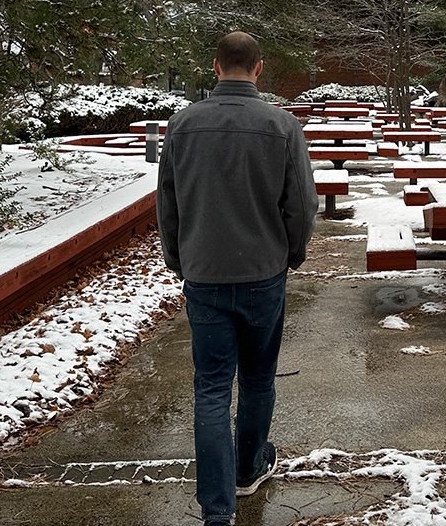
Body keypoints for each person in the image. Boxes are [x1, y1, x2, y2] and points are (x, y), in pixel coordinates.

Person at [157, 32, 317, 526]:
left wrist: (178, 259)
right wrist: (291, 253)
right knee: (256, 378)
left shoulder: (182, 125)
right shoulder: (282, 125)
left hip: (204, 273)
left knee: (210, 388)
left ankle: (217, 510)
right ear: (259, 69)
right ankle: (249, 469)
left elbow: (169, 203)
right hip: (262, 273)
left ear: (215, 66)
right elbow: (302, 205)